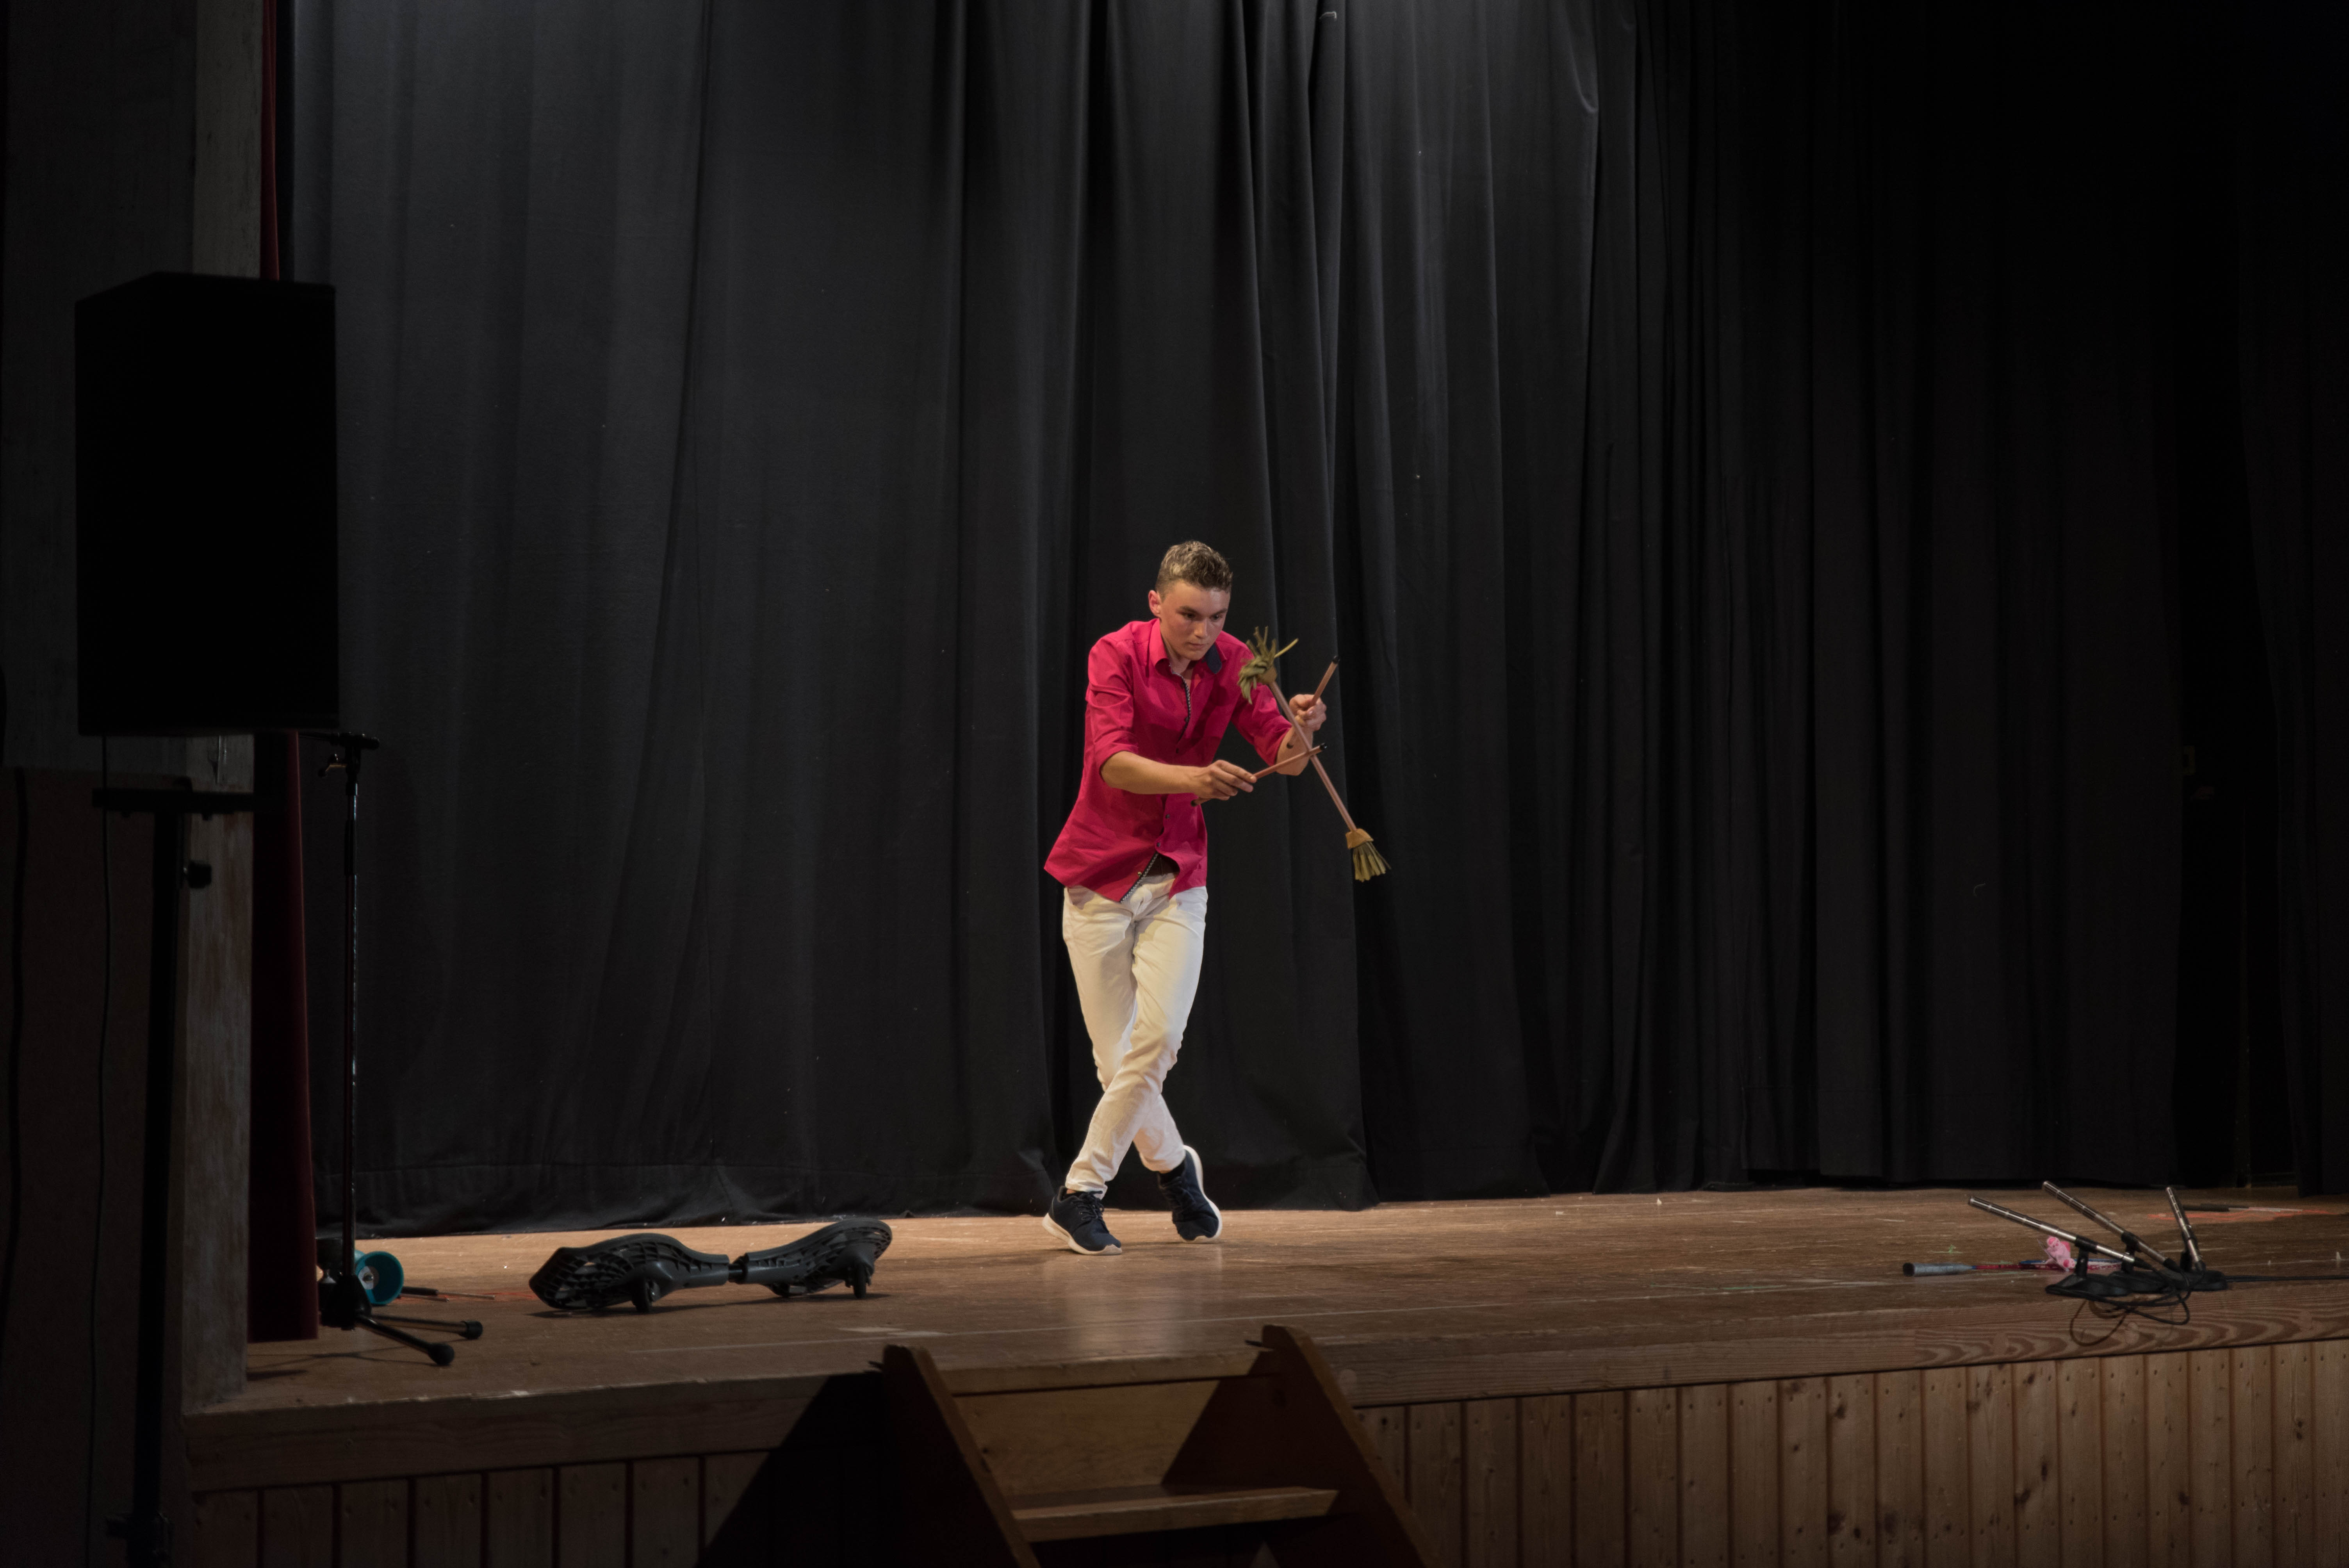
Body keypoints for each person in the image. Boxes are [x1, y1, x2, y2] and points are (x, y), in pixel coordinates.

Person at [1040, 541, 1326, 1254]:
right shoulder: (1115, 654)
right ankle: (1174, 1168)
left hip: (1178, 877)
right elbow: (1113, 763)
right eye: (1189, 616)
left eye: (1217, 617)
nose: (1204, 632)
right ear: (1156, 604)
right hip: (1100, 876)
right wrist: (1196, 780)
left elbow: (1288, 761)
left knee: (1159, 1041)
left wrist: (1302, 728)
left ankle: (1081, 1190)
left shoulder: (1236, 660)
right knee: (1118, 1063)